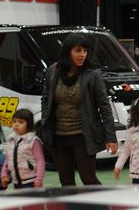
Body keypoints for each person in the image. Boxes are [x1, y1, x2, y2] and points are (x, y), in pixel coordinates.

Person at [40, 33, 118, 187]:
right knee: (66, 181)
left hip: (83, 135)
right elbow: (45, 98)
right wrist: (44, 121)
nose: (82, 54)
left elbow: (104, 106)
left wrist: (111, 137)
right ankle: (72, 204)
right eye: (78, 50)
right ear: (67, 51)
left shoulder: (92, 74)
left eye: (85, 51)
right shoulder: (52, 71)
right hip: (58, 136)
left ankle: (104, 201)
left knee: (88, 179)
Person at [0, 108, 45, 190]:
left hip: (30, 182)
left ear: (29, 125)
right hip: (16, 182)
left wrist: (39, 179)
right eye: (14, 121)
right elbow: (7, 159)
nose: (16, 124)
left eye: (21, 122)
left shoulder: (33, 141)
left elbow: (40, 161)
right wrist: (3, 174)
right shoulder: (11, 140)